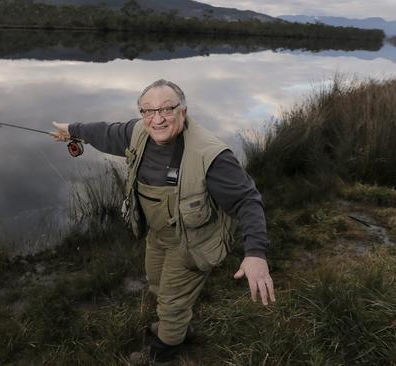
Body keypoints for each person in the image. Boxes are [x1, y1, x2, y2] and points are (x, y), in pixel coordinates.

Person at [51, 79, 275, 363]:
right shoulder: (139, 132)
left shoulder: (212, 156)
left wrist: (255, 253)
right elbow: (106, 132)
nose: (156, 119)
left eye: (166, 109)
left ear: (183, 111)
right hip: (158, 235)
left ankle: (163, 354)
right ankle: (179, 327)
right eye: (148, 111)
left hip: (194, 242)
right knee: (157, 284)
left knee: (171, 301)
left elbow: (247, 201)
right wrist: (71, 130)